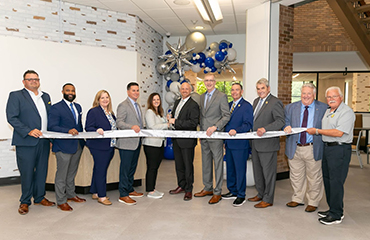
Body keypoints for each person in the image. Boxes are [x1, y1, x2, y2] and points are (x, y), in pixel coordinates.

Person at [6, 70, 55, 215]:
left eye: (36, 79)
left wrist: (51, 138)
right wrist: (28, 131)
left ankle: (40, 197)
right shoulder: (16, 96)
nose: (34, 81)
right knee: (27, 172)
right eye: (30, 79)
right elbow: (12, 117)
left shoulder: (45, 96)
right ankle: (25, 201)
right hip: (26, 140)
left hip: (44, 141)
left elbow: (49, 119)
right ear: (24, 82)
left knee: (42, 171)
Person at [307, 86, 355, 225]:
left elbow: (339, 132)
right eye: (328, 97)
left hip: (339, 150)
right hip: (327, 149)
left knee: (336, 182)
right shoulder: (328, 111)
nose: (331, 99)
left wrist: (316, 131)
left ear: (341, 97)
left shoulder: (346, 112)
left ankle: (336, 214)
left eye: (334, 96)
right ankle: (332, 208)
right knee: (327, 180)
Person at [283, 83, 327, 213]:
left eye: (309, 93)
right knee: (296, 175)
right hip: (294, 146)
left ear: (314, 94)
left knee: (314, 176)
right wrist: (286, 127)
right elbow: (285, 122)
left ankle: (313, 201)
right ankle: (297, 198)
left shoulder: (323, 108)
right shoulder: (290, 107)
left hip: (313, 147)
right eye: (303, 93)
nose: (306, 96)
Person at [48, 83, 86, 211]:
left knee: (71, 173)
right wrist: (67, 131)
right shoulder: (56, 108)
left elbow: (79, 125)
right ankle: (61, 200)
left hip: (77, 145)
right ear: (62, 91)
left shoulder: (78, 106)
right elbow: (52, 126)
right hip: (63, 146)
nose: (71, 92)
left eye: (73, 91)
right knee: (62, 175)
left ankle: (71, 194)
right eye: (68, 90)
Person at [248, 78, 285, 208]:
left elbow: (280, 121)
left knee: (268, 173)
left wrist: (265, 129)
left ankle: (268, 199)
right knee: (257, 171)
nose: (260, 91)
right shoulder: (256, 101)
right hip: (255, 143)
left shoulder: (275, 102)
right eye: (258, 89)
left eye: (262, 88)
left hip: (268, 144)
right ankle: (261, 193)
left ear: (268, 89)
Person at [194, 73, 230, 204]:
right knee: (206, 163)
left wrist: (215, 127)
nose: (209, 83)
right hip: (204, 136)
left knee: (217, 164)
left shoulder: (221, 96)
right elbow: (202, 117)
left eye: (211, 81)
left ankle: (217, 191)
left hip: (215, 135)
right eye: (206, 80)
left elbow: (226, 116)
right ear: (204, 82)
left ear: (215, 82)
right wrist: (200, 133)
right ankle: (207, 187)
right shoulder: (202, 96)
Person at [221, 83, 253, 207]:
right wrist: (224, 141)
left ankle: (241, 195)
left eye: (237, 90)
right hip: (229, 144)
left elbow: (248, 124)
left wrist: (237, 130)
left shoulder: (246, 106)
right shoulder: (228, 105)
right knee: (230, 169)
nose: (234, 92)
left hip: (240, 144)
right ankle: (232, 191)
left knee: (240, 170)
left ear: (242, 91)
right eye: (232, 90)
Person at [168, 82, 200, 201]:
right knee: (179, 165)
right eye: (183, 89)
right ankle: (181, 185)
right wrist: (170, 120)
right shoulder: (177, 102)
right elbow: (175, 116)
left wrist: (175, 122)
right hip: (176, 139)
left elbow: (193, 123)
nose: (184, 90)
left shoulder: (193, 105)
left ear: (190, 90)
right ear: (180, 90)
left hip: (187, 141)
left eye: (187, 89)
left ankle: (188, 190)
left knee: (187, 165)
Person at [85, 90, 117, 206]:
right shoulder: (93, 111)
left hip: (110, 145)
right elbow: (88, 127)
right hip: (99, 146)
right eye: (102, 98)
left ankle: (95, 192)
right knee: (101, 171)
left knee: (98, 169)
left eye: (107, 97)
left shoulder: (110, 113)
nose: (105, 100)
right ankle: (102, 196)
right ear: (98, 100)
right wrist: (96, 130)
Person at [116, 82, 144, 205]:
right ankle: (123, 194)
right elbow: (119, 123)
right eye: (133, 90)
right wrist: (131, 127)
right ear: (128, 92)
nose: (136, 93)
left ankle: (130, 189)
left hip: (136, 142)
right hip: (127, 143)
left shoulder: (137, 105)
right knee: (125, 169)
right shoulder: (123, 105)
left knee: (132, 168)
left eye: (137, 90)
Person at [142, 93, 169, 199]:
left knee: (155, 167)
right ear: (150, 101)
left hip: (159, 143)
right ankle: (149, 190)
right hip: (151, 144)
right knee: (152, 167)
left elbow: (162, 126)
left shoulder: (159, 112)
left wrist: (167, 121)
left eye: (158, 99)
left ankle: (152, 188)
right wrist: (166, 124)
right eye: (154, 100)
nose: (156, 101)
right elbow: (153, 127)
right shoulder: (149, 112)